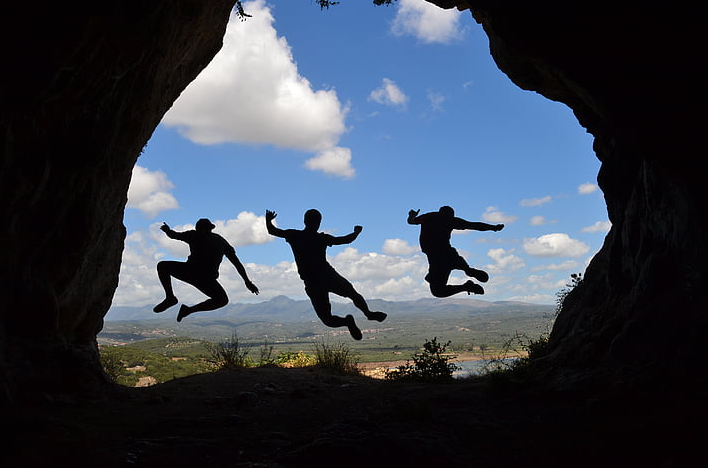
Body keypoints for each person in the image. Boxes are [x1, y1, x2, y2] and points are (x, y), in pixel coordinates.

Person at [265, 209, 386, 340]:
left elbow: (273, 231)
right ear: (319, 223)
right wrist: (356, 232)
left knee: (328, 320)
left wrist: (268, 220)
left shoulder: (295, 235)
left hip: (313, 282)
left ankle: (348, 321)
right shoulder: (321, 238)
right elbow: (345, 240)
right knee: (353, 294)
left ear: (305, 221)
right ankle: (367, 314)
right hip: (327, 276)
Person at [153, 218, 259, 322]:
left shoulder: (194, 235)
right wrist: (247, 281)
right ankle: (188, 310)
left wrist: (167, 230)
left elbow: (174, 235)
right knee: (222, 300)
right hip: (207, 279)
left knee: (162, 266)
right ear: (210, 228)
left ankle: (170, 298)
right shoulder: (220, 241)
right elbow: (237, 263)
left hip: (190, 271)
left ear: (198, 228)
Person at [408, 206, 504, 298]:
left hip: (436, 259)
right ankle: (467, 270)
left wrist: (412, 215)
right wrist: (493, 228)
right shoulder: (450, 220)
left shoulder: (428, 217)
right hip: (449, 255)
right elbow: (474, 225)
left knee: (438, 292)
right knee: (453, 270)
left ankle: (466, 283)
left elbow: (411, 221)